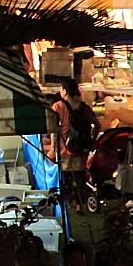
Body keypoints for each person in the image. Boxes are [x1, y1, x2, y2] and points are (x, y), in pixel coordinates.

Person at [52, 77, 98, 210]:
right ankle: (80, 204)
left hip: (65, 148)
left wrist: (57, 147)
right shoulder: (84, 107)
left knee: (65, 176)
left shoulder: (58, 107)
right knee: (79, 175)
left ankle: (66, 202)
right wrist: (92, 140)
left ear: (65, 91)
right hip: (81, 147)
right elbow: (97, 124)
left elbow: (54, 130)